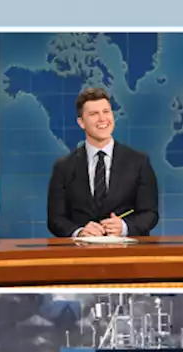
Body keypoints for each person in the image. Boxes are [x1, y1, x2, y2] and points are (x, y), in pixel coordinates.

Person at [46, 87, 159, 238]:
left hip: (127, 254)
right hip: (81, 255)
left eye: (106, 112)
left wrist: (124, 227)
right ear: (81, 122)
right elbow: (56, 219)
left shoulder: (138, 161)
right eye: (93, 114)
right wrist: (79, 232)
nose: (102, 119)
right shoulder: (63, 167)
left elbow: (150, 213)